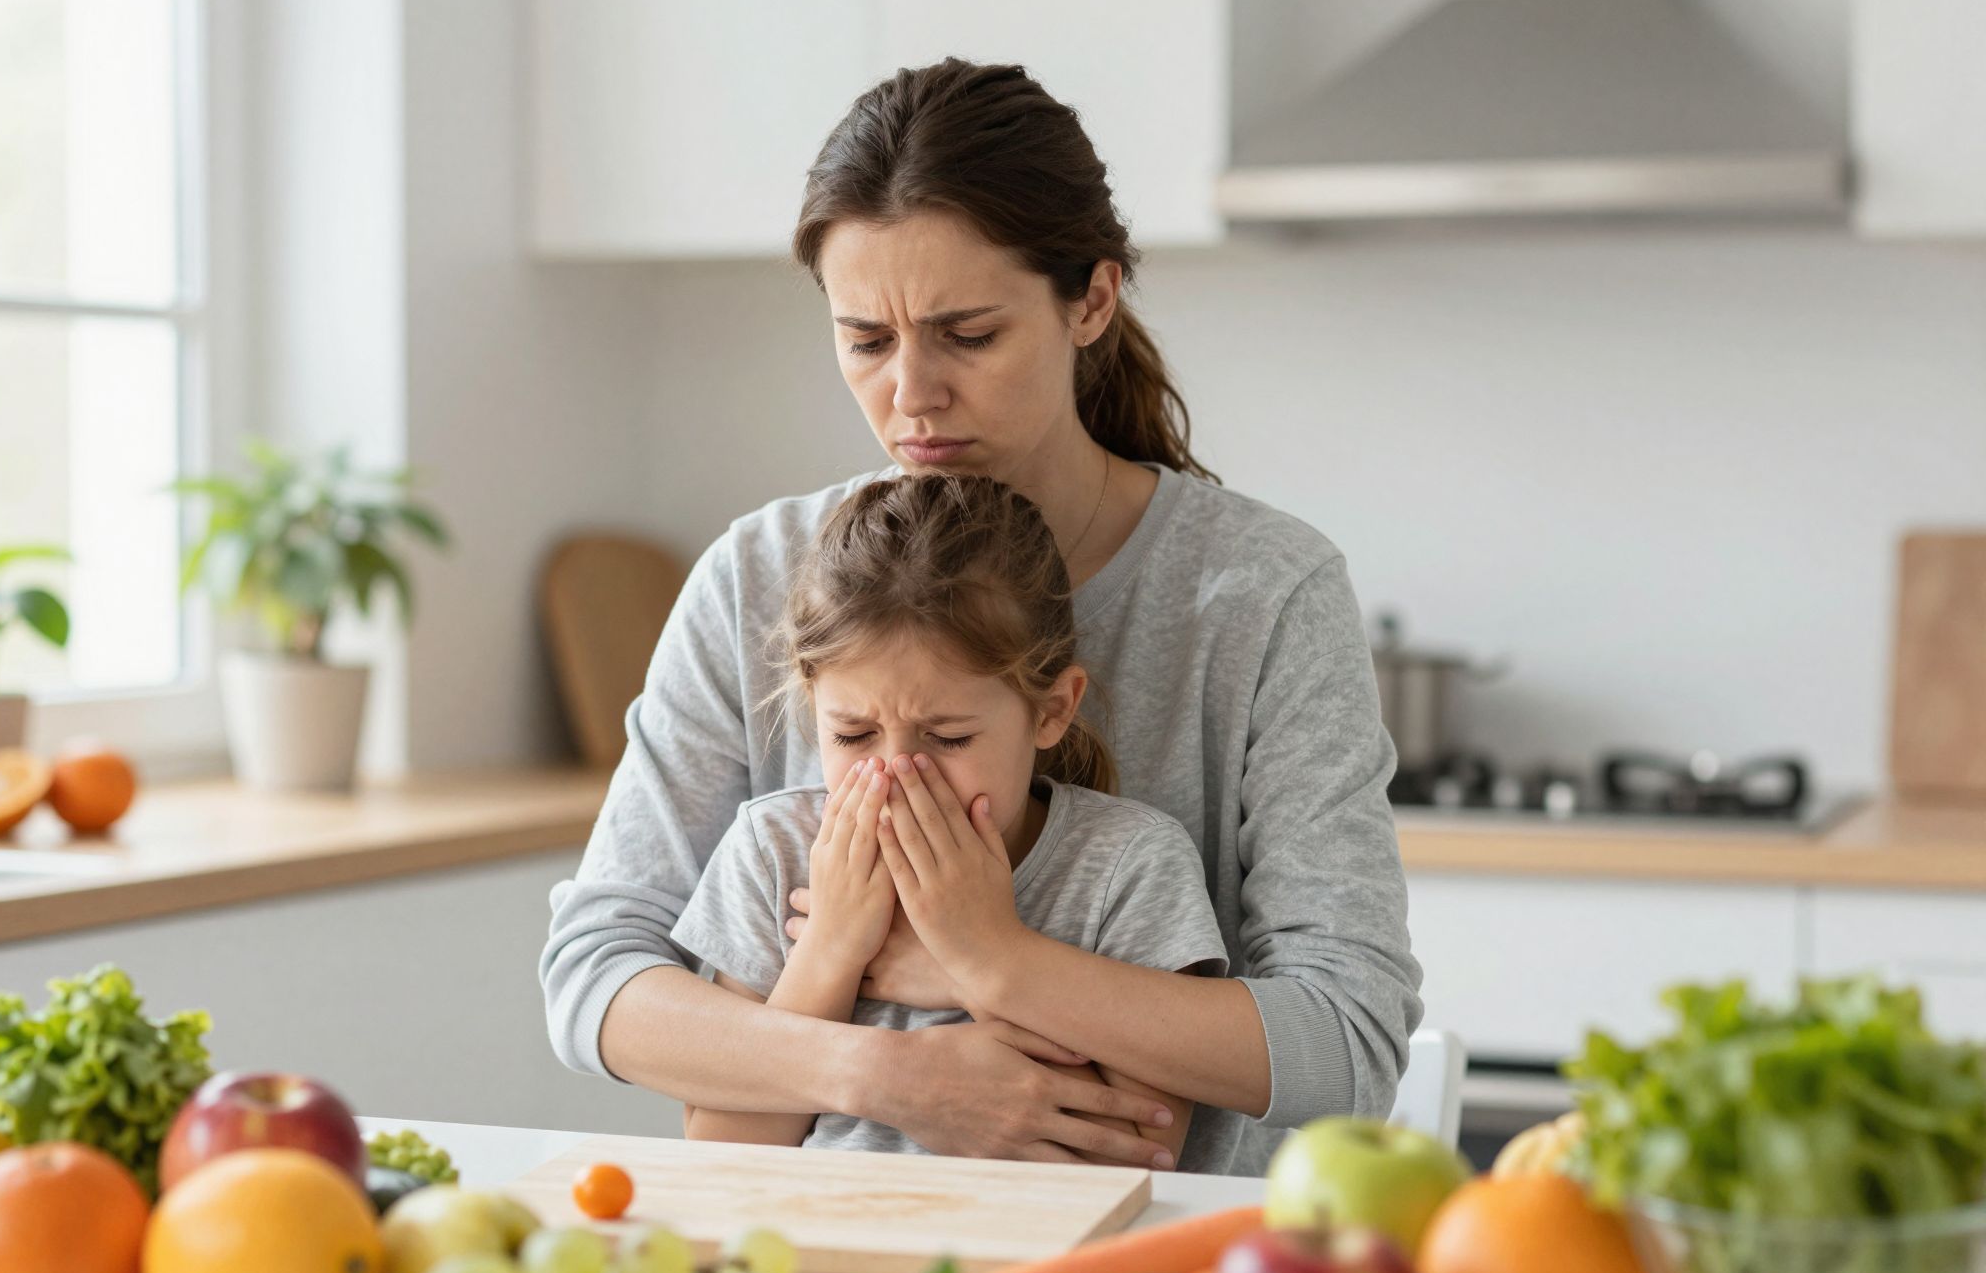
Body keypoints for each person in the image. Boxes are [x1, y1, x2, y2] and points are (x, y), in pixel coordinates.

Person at [540, 58, 1422, 1176]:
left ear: (1090, 301)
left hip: (1151, 1253)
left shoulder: (1262, 592)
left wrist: (990, 966)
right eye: (866, 340)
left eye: (967, 335)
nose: (911, 396)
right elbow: (595, 975)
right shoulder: (757, 575)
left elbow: (1345, 1042)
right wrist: (891, 1079)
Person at [676, 474, 1225, 1169]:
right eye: (852, 735)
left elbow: (1137, 1153)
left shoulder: (1128, 866)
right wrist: (831, 950)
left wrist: (977, 960)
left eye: (949, 737)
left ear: (1053, 710)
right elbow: (720, 1151)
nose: (896, 775)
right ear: (813, 705)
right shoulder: (774, 853)